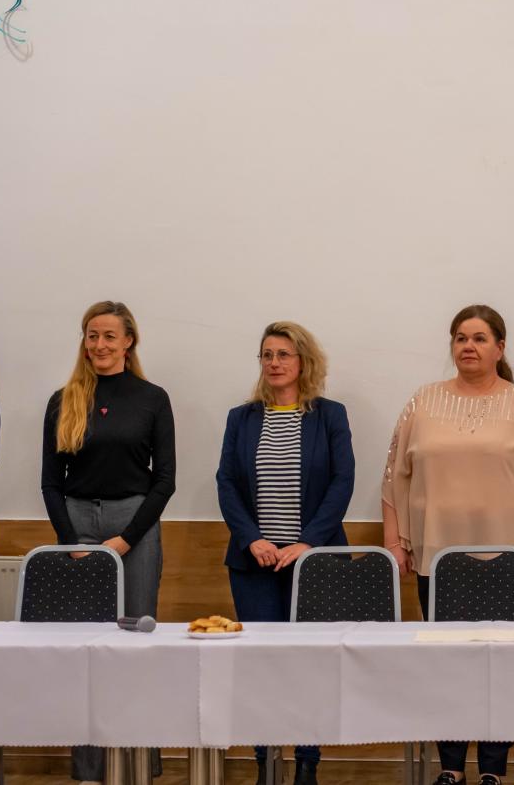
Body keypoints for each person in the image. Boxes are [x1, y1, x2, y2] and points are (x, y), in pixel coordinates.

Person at [383, 304, 514, 785]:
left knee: (498, 666)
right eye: (461, 338)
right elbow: (394, 477)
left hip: (507, 560)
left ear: (500, 348)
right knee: (446, 665)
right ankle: (450, 767)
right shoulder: (422, 403)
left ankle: (493, 771)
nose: (468, 346)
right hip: (437, 559)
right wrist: (394, 542)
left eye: (480, 338)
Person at [41, 300, 176, 783]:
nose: (99, 344)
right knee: (86, 649)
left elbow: (165, 480)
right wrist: (70, 541)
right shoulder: (63, 399)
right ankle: (88, 770)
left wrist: (127, 539)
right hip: (78, 523)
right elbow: (51, 483)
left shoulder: (152, 398)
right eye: (92, 335)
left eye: (109, 336)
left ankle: (141, 764)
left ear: (128, 342)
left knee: (136, 645)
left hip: (134, 524)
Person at [216, 321, 355, 785]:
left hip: (314, 564)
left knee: (309, 665)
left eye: (283, 355)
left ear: (303, 362)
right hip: (254, 564)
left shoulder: (329, 415)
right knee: (262, 666)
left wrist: (307, 543)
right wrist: (250, 537)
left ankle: (307, 763)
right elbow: (227, 483)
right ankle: (266, 762)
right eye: (267, 355)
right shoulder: (242, 418)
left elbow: (342, 482)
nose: (274, 363)